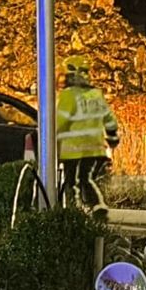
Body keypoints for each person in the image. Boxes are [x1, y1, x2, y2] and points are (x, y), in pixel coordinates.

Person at [56, 54, 118, 219]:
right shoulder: (95, 95)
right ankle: (98, 205)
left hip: (73, 149)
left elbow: (60, 121)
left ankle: (73, 211)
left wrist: (48, 136)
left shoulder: (69, 95)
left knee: (71, 182)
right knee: (86, 179)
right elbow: (109, 118)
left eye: (66, 75)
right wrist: (112, 136)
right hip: (95, 149)